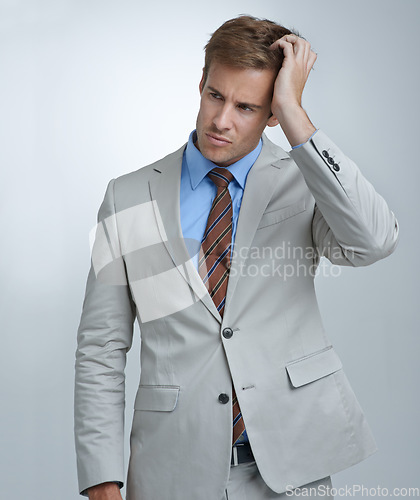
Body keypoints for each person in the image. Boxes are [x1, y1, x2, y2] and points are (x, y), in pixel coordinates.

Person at [74, 15, 399, 500]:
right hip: (173, 469)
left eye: (247, 107)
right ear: (201, 84)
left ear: (271, 112)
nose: (221, 121)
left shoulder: (306, 181)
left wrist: (295, 114)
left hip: (293, 466)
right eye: (215, 96)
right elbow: (100, 347)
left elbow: (373, 240)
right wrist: (101, 479)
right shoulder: (127, 198)